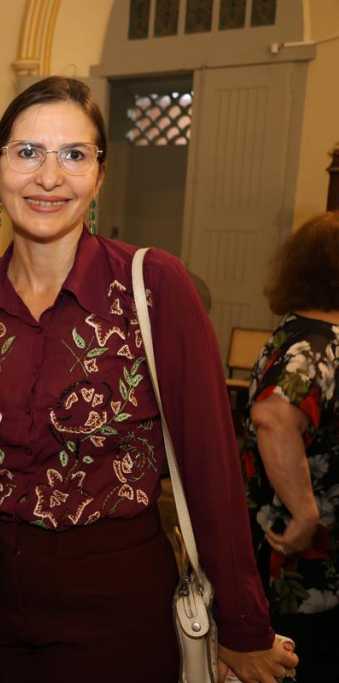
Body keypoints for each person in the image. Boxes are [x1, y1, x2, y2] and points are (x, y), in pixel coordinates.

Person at [0, 76, 299, 683]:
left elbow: (209, 462)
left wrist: (242, 624)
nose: (49, 177)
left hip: (118, 606)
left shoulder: (153, 287)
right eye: (27, 153)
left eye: (73, 155)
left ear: (99, 176)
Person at [240, 212, 339, 682]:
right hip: (300, 568)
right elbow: (275, 417)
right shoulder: (317, 347)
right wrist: (305, 515)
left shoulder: (295, 331)